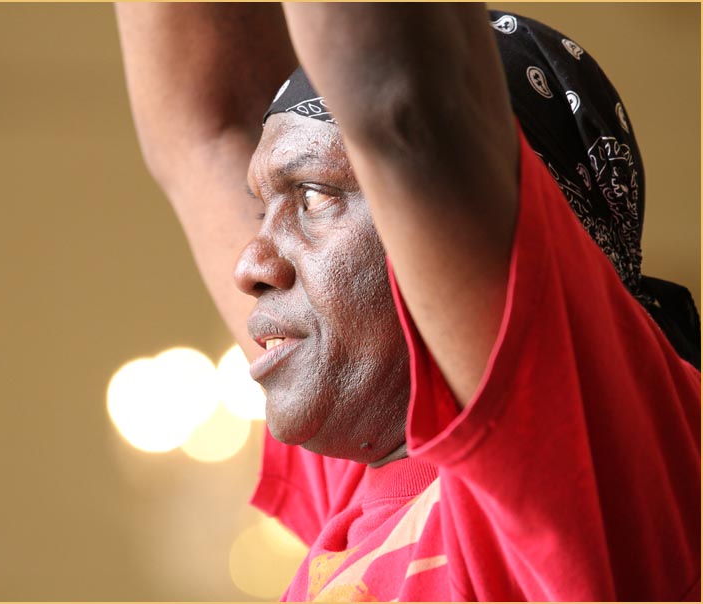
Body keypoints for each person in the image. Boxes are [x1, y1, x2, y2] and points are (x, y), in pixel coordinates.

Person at [116, 4, 700, 601]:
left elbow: (397, 96)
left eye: (312, 195)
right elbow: (206, 127)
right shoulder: (371, 464)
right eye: (263, 208)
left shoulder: (586, 451)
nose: (249, 266)